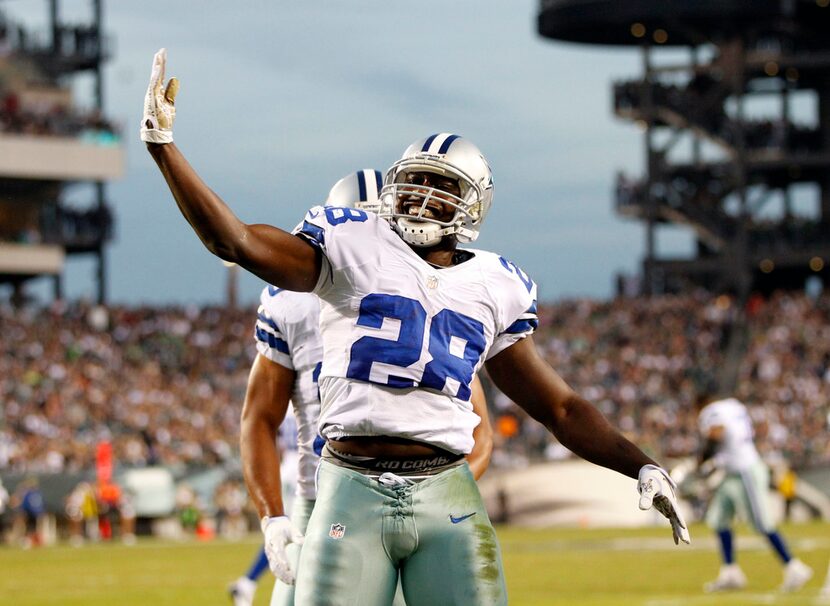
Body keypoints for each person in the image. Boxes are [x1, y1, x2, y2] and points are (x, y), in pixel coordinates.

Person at [142, 48, 688, 605]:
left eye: (441, 185)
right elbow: (234, 241)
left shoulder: (496, 284)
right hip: (349, 485)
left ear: (472, 205)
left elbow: (562, 409)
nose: (424, 196)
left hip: (448, 494)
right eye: (416, 181)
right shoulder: (353, 244)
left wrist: (640, 465)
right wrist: (166, 151)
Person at [227, 170, 494, 606]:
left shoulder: (426, 300)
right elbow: (259, 416)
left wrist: (431, 491)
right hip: (322, 500)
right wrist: (273, 517)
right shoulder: (288, 302)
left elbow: (477, 430)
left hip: (409, 506)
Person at [696, 392, 812, 593]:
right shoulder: (733, 405)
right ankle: (730, 573)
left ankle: (794, 567)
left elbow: (716, 432)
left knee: (761, 523)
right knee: (719, 519)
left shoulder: (711, 411)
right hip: (733, 472)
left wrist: (702, 459)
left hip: (745, 472)